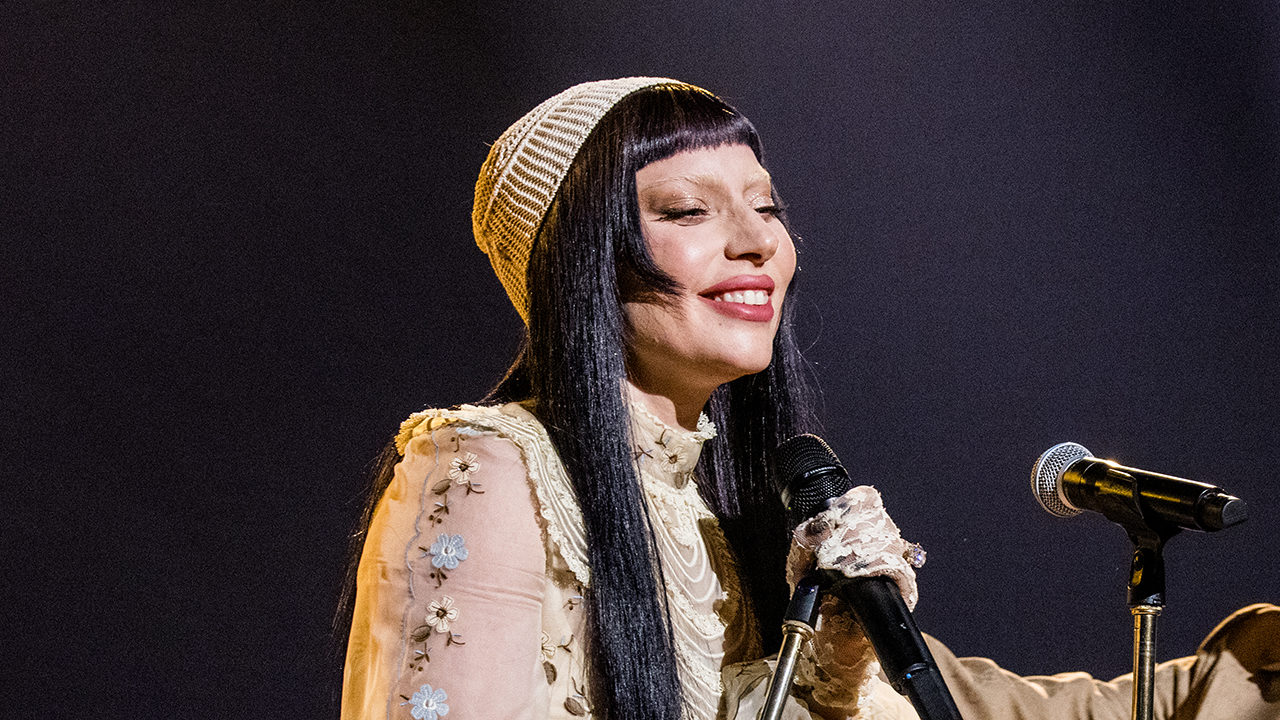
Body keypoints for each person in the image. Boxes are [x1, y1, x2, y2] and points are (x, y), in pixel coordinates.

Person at [338, 78, 1279, 720]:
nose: (757, 242)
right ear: (578, 264)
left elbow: (1021, 709)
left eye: (768, 205)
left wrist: (837, 661)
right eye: (687, 210)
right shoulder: (489, 466)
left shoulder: (749, 517)